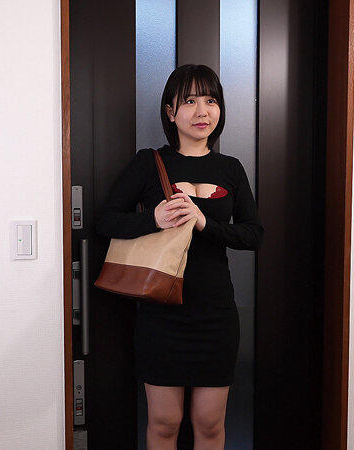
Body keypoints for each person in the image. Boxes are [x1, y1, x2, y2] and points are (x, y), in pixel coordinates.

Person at [96, 64, 263, 450]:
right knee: (164, 423)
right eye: (189, 101)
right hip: (161, 315)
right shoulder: (148, 162)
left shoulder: (231, 168)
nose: (202, 111)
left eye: (211, 100)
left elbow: (254, 235)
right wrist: (152, 219)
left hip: (216, 316)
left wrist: (205, 223)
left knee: (209, 424)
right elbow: (105, 222)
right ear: (170, 112)